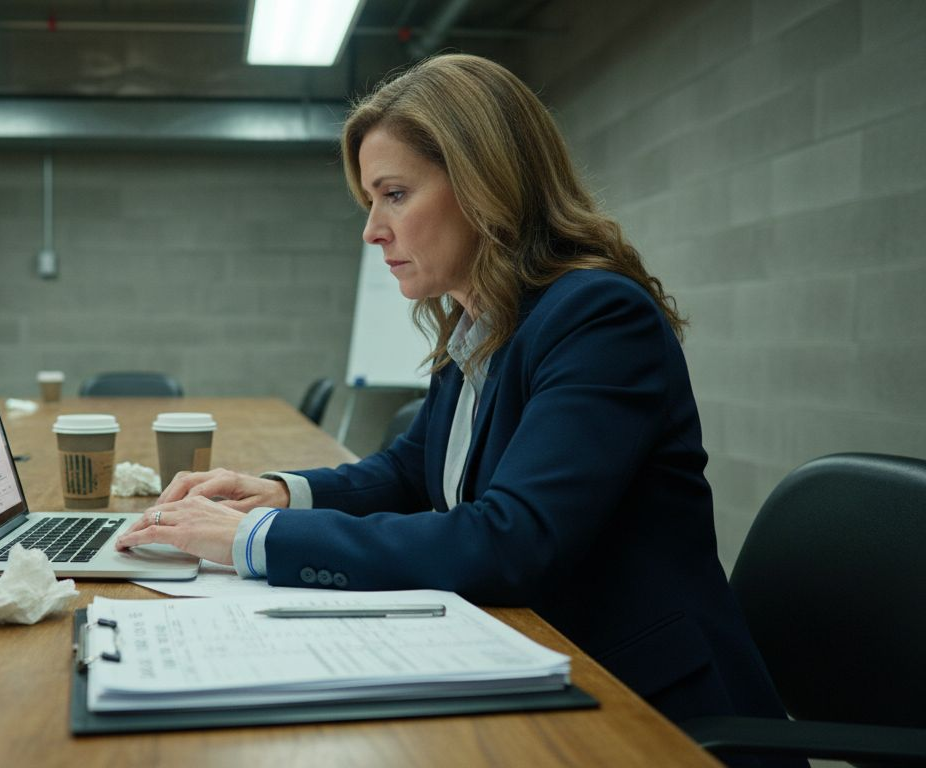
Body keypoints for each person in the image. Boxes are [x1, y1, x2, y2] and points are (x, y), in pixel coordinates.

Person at [116, 54, 797, 763]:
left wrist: (256, 537)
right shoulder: (479, 323)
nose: (372, 230)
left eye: (395, 195)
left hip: (647, 711)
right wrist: (287, 491)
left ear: (483, 183)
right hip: (539, 665)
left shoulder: (597, 318)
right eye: (370, 202)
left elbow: (514, 538)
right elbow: (417, 470)